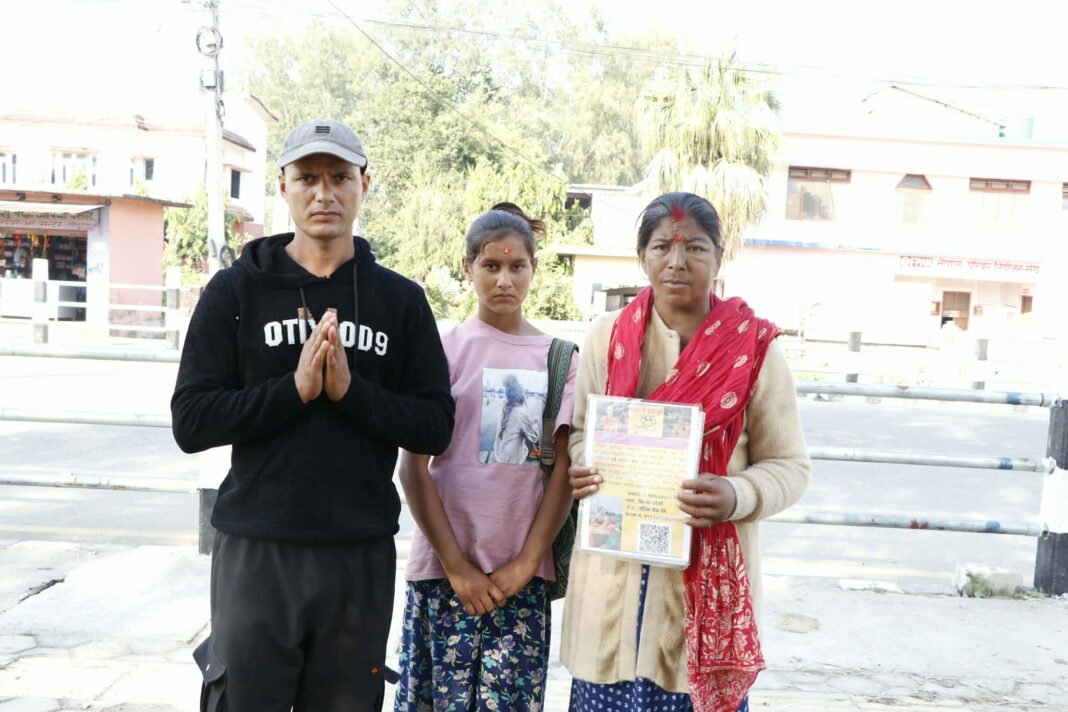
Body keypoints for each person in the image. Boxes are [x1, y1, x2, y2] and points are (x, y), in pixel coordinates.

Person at [171, 118, 455, 711]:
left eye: (339, 177)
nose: (324, 193)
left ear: (364, 185)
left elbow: (434, 425)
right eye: (307, 178)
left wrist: (350, 392)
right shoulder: (235, 292)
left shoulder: (400, 300)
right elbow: (192, 421)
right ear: (283, 186)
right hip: (258, 546)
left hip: (358, 550)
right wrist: (293, 390)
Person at [562, 192, 811, 712]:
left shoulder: (753, 350)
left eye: (695, 248)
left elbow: (790, 466)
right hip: (614, 579)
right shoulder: (606, 337)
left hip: (700, 588)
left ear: (719, 257)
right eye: (662, 248)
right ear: (642, 256)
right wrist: (587, 465)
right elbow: (583, 432)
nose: (677, 262)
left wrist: (737, 495)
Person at [394, 206, 578, 711]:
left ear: (534, 269)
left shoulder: (559, 360)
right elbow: (413, 468)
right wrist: (456, 567)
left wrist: (527, 562)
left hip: (521, 581)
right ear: (467, 267)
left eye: (517, 266)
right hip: (444, 573)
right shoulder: (441, 352)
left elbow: (563, 472)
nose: (504, 280)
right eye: (490, 266)